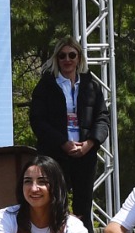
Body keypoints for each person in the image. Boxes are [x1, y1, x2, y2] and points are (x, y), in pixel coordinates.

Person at [29, 37, 111, 223]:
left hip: (85, 155)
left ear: (79, 58)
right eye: (62, 56)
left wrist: (90, 143)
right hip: (55, 155)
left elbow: (102, 119)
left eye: (72, 55)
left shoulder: (91, 86)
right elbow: (37, 121)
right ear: (57, 59)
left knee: (83, 209)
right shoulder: (45, 86)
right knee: (55, 205)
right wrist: (62, 143)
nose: (67, 60)